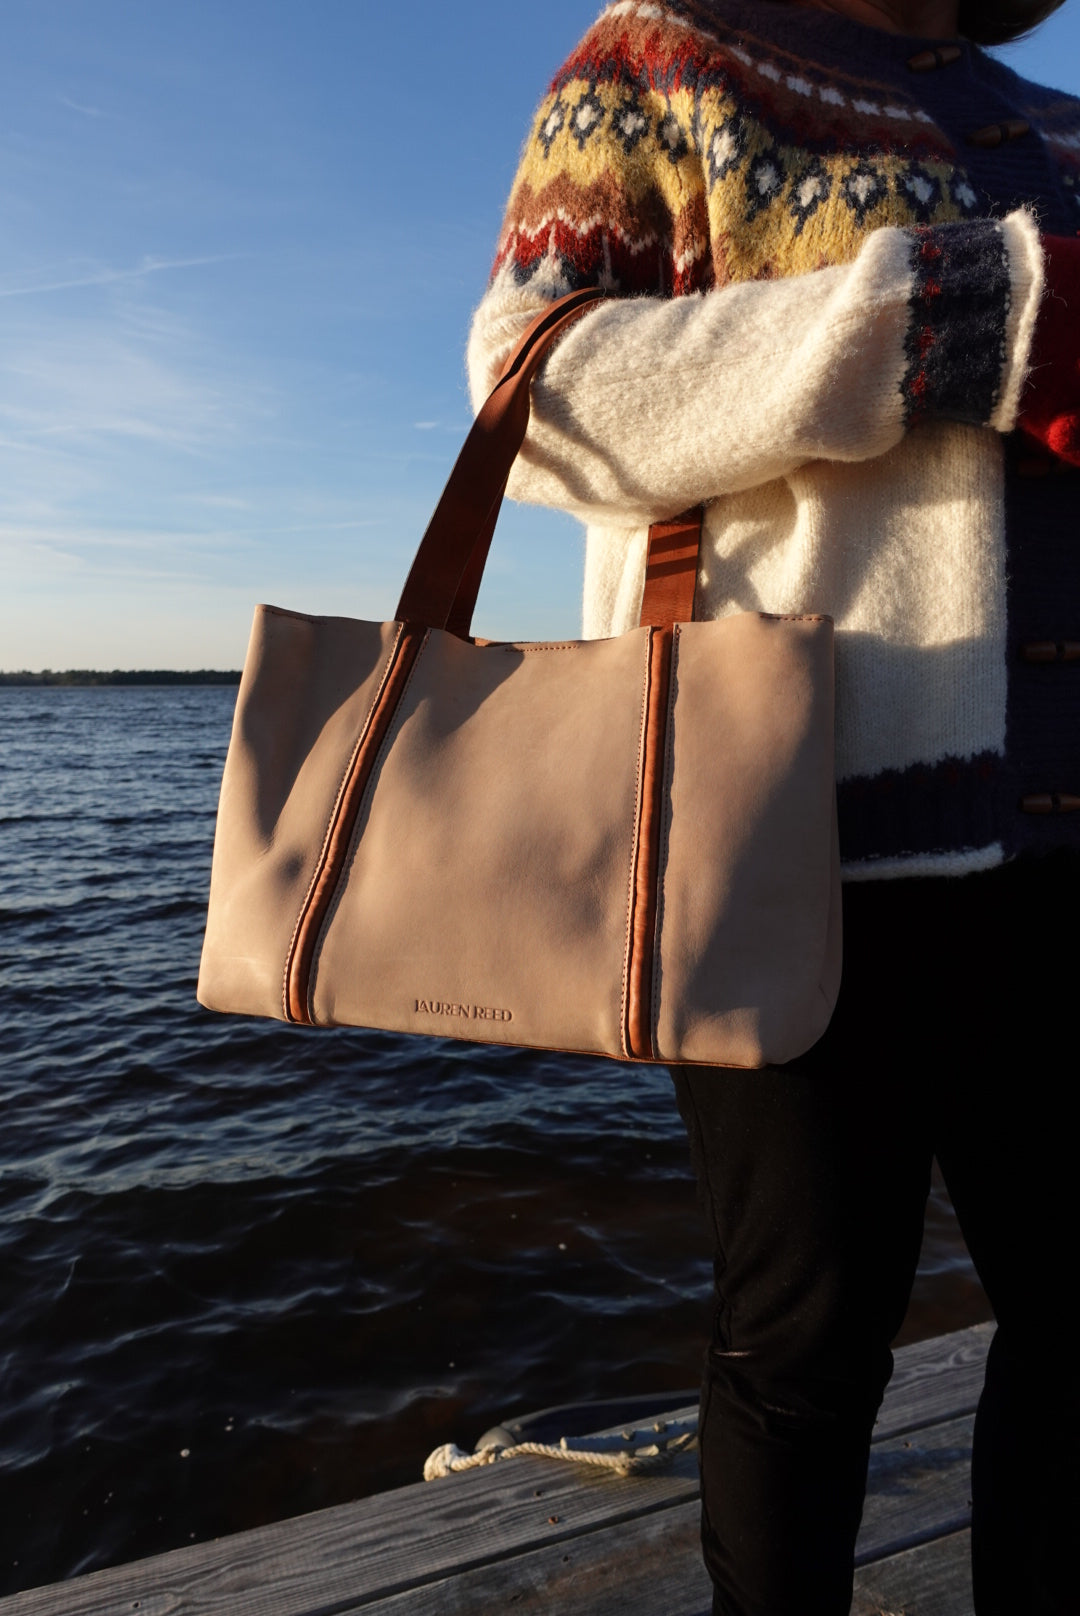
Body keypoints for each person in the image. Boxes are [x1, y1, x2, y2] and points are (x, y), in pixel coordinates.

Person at [465, 1, 1080, 1612]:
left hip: (1072, 846)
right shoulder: (666, 54)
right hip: (795, 824)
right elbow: (533, 385)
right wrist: (969, 320)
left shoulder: (1056, 112)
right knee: (807, 1337)